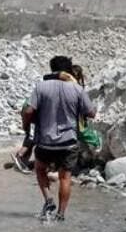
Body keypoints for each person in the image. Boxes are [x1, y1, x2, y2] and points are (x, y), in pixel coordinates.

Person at [21, 56, 96, 222]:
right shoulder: (76, 89)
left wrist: (27, 127)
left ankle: (48, 200)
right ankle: (61, 215)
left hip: (45, 142)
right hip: (68, 142)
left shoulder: (41, 87)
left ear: (51, 69)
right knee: (65, 177)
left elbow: (28, 111)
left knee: (40, 169)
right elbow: (91, 113)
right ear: (68, 70)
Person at [10, 65, 86, 173]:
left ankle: (24, 160)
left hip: (35, 111)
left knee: (33, 137)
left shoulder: (55, 84)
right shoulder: (68, 84)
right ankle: (21, 157)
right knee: (32, 138)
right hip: (35, 112)